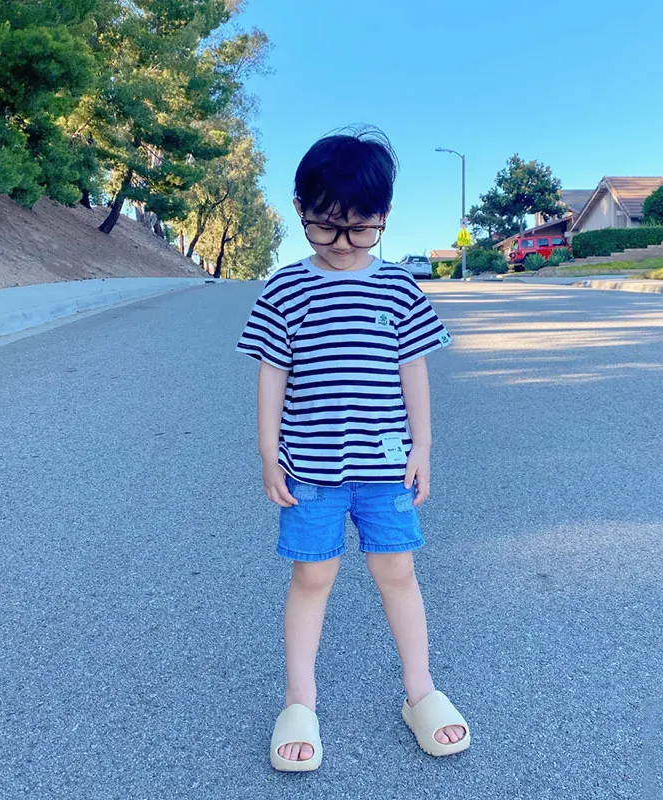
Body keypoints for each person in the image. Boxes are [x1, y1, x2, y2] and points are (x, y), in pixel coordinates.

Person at [236, 127, 470, 772]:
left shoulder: (399, 288)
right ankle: (299, 701)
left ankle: (421, 693)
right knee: (312, 576)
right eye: (324, 226)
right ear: (300, 211)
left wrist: (423, 447)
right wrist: (268, 452)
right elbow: (272, 373)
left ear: (383, 217)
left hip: (386, 466)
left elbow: (413, 369)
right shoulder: (285, 289)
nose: (341, 243)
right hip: (309, 467)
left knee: (398, 573)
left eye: (360, 229)